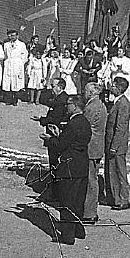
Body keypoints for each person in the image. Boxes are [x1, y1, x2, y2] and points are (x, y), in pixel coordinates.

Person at [38, 94, 92, 243]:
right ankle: (78, 230)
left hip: (69, 166)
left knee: (67, 201)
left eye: (68, 104)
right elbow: (74, 141)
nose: (66, 107)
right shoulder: (84, 122)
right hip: (81, 164)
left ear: (75, 106)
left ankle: (68, 235)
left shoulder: (73, 123)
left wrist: (50, 139)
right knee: (78, 200)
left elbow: (61, 145)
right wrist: (59, 135)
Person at [104, 76, 130, 211]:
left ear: (119, 88)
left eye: (113, 85)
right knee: (112, 171)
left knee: (119, 172)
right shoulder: (117, 102)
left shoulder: (123, 104)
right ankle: (115, 198)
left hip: (117, 146)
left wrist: (114, 146)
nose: (111, 87)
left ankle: (123, 199)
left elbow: (120, 127)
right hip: (112, 144)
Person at [82, 82, 108, 224]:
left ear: (91, 93)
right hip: (96, 146)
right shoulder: (99, 104)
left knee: (90, 181)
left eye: (86, 91)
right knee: (93, 179)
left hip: (91, 147)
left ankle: (89, 212)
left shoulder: (93, 106)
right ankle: (90, 211)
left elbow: (84, 126)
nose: (83, 93)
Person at [2, 29, 29, 105]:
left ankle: (15, 100)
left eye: (14, 35)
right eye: (11, 35)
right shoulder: (6, 44)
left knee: (16, 82)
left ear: (17, 36)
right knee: (8, 82)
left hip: (17, 64)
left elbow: (25, 55)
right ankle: (9, 99)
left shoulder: (21, 44)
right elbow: (5, 54)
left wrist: (20, 63)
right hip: (9, 63)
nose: (12, 37)